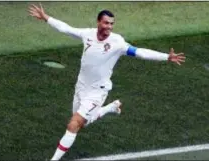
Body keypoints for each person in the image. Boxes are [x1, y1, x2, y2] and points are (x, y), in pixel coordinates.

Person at [29, 3, 185, 161]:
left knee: (73, 124)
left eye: (111, 23)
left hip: (97, 91)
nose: (109, 26)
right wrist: (46, 18)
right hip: (81, 87)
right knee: (83, 122)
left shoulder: (117, 43)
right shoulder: (87, 34)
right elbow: (66, 29)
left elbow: (140, 52)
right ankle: (111, 107)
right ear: (98, 22)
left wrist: (166, 57)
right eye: (106, 23)